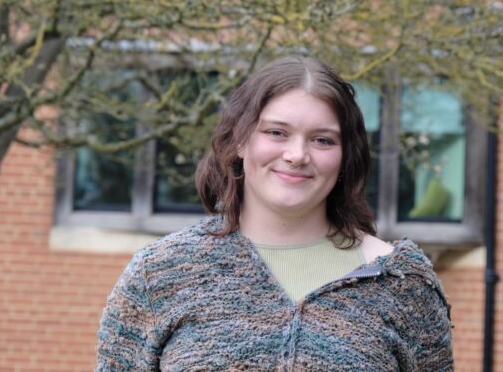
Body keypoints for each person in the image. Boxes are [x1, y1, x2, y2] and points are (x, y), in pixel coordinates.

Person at [96, 56, 454, 371]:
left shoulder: (402, 284)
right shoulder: (158, 275)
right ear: (240, 140)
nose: (297, 154)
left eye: (323, 140)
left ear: (346, 156)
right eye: (277, 132)